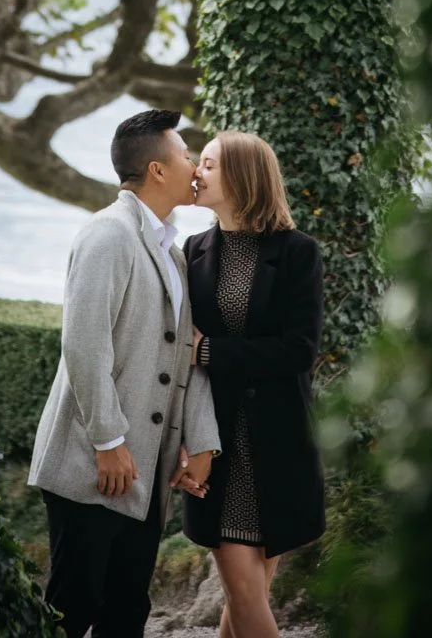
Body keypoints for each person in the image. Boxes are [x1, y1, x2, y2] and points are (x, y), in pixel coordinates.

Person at [29, 108, 222, 638]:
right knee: (73, 606)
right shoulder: (107, 235)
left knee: (125, 611)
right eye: (186, 156)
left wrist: (199, 442)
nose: (194, 167)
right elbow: (83, 343)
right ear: (158, 170)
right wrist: (109, 440)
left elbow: (186, 353)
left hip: (146, 475)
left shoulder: (174, 253)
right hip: (93, 465)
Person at [184, 130, 325, 638]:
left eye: (207, 163)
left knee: (245, 602)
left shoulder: (298, 254)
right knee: (246, 597)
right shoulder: (192, 250)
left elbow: (299, 351)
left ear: (242, 176)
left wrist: (210, 351)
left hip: (277, 448)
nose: (195, 172)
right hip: (215, 448)